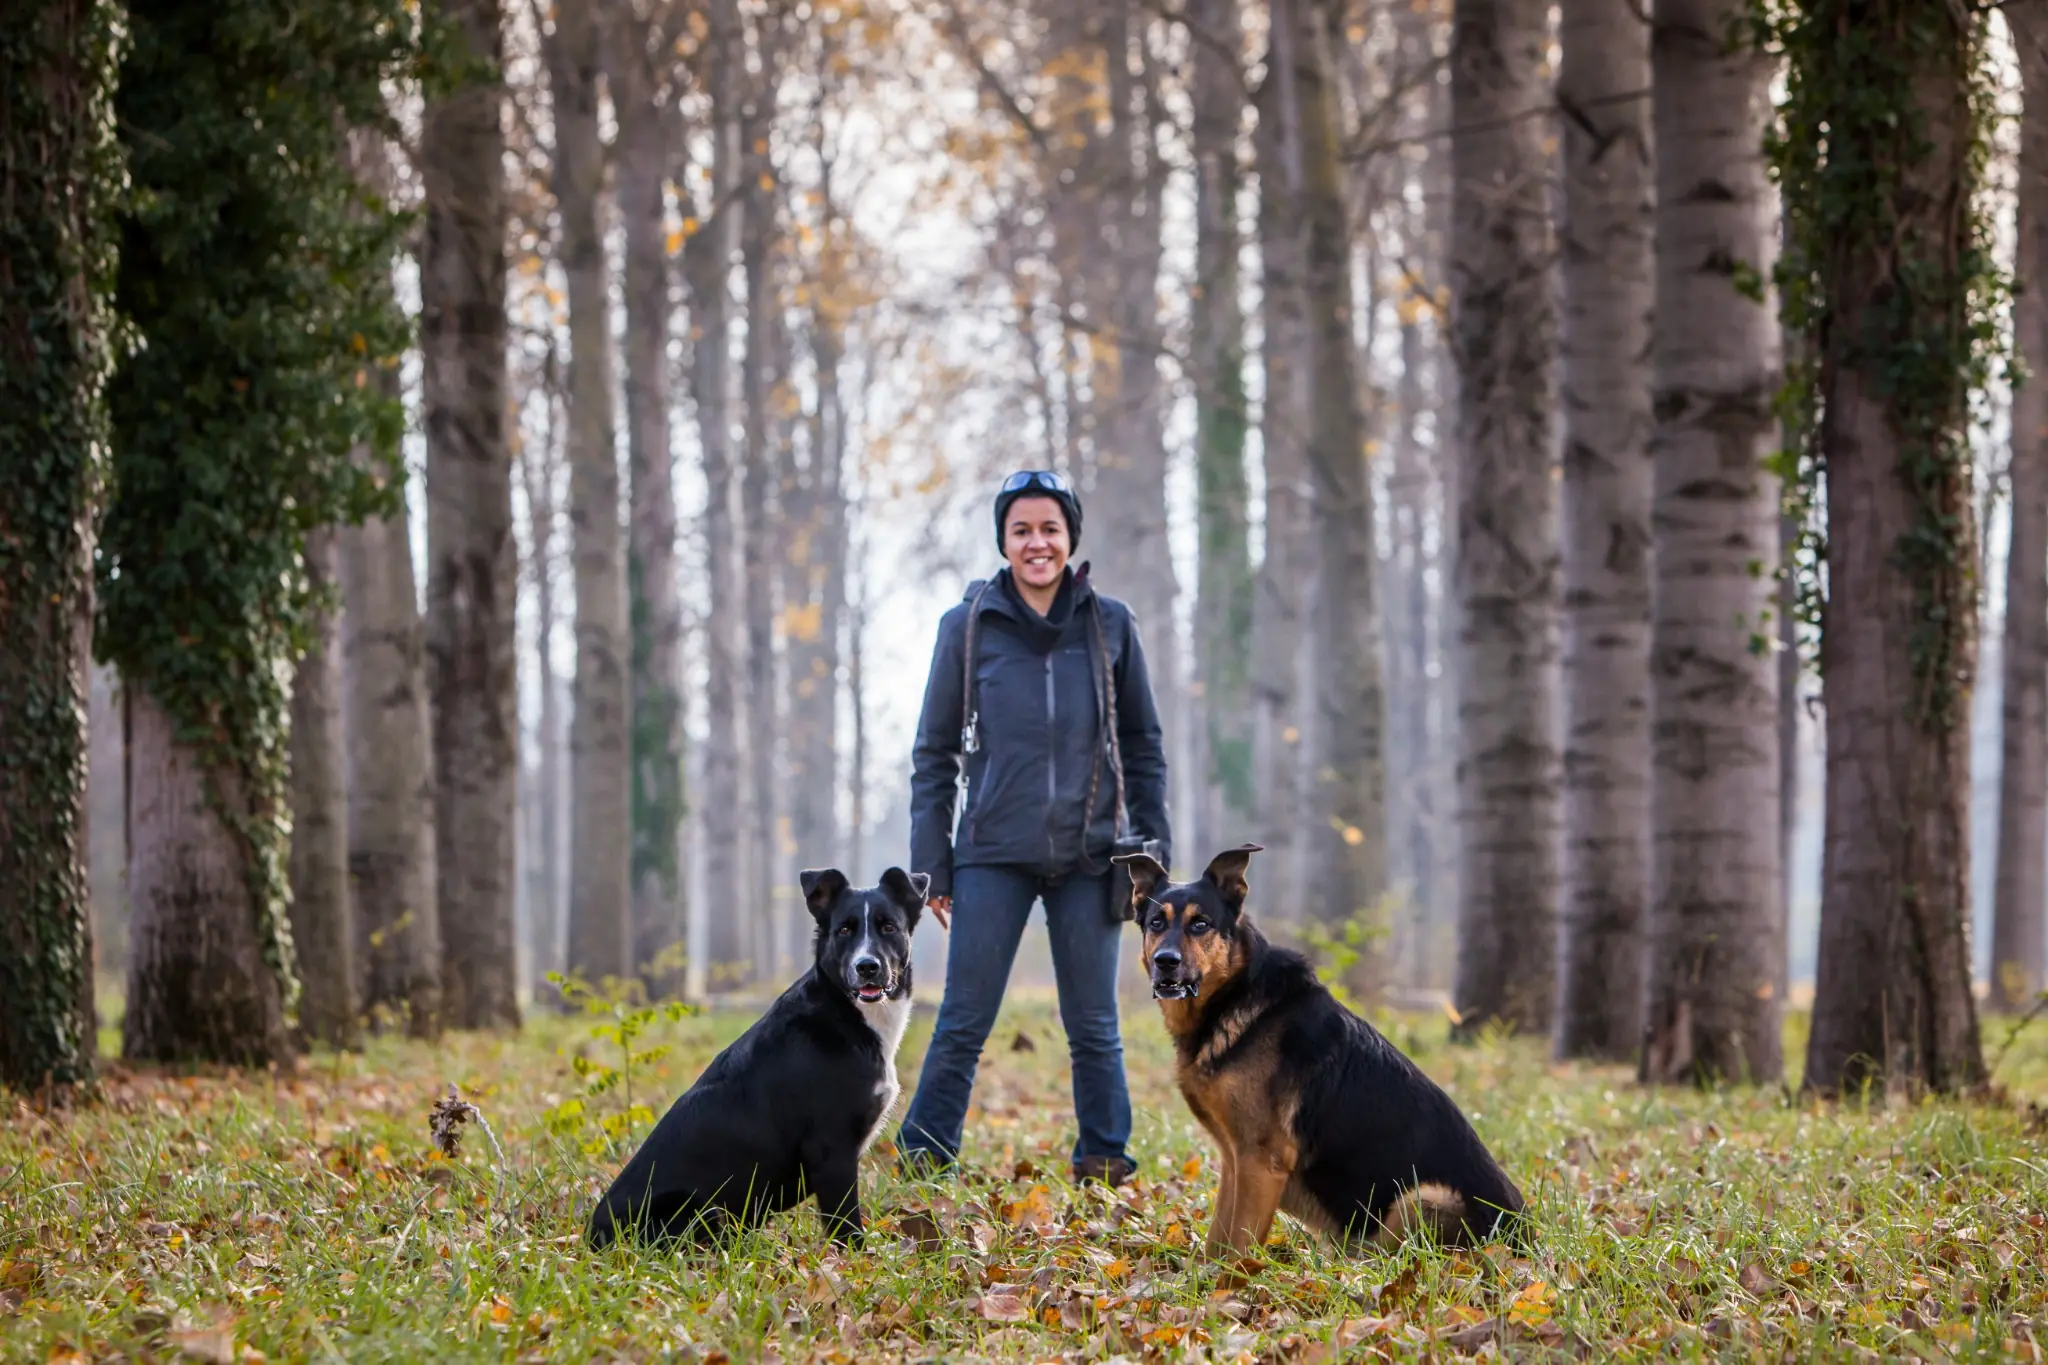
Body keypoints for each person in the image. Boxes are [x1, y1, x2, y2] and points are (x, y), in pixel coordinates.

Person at [898, 469, 1172, 1186]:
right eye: (1021, 529)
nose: (1037, 542)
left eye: (1049, 527)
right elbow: (933, 754)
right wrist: (934, 864)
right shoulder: (966, 627)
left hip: (1092, 857)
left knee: (1094, 1026)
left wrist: (1152, 847)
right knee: (962, 1019)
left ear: (1070, 537)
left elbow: (1143, 745)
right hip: (991, 854)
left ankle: (1105, 1163)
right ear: (1004, 541)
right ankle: (924, 1160)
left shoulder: (1111, 624)